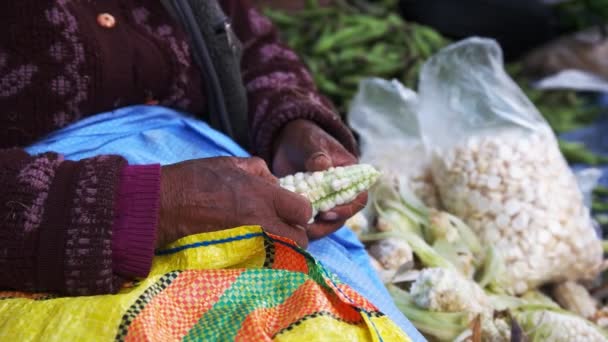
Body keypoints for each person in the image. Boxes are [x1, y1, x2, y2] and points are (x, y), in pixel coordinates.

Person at [0, 0, 366, 296]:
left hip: (236, 192)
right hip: (55, 254)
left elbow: (247, 43)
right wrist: (154, 206)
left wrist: (289, 121)